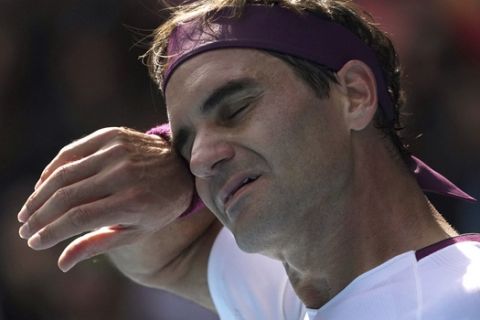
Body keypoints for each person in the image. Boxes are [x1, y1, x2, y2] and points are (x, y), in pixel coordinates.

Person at [17, 1, 480, 319]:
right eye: (186, 143)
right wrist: (173, 172)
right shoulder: (285, 299)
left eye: (235, 108)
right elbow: (154, 255)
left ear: (354, 95)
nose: (200, 157)